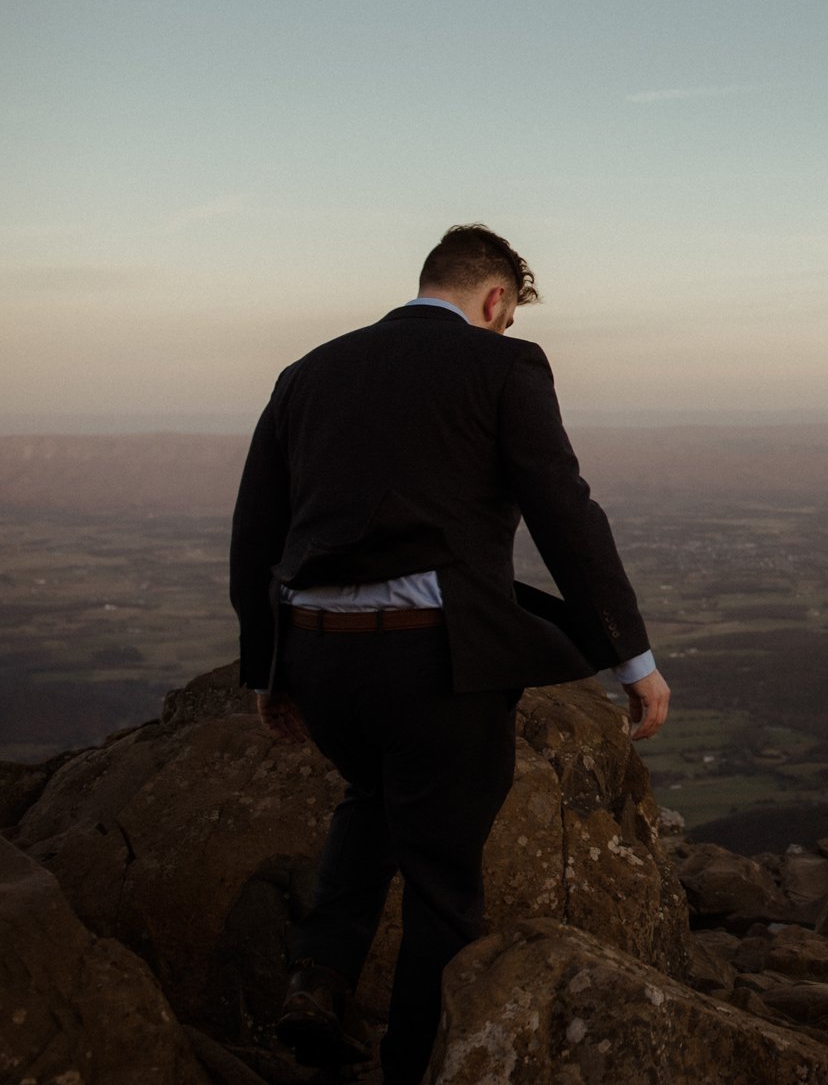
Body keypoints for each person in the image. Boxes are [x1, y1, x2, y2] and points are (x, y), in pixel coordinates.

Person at [228, 224, 671, 1084]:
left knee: (372, 796)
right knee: (442, 880)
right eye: (503, 317)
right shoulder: (505, 364)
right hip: (434, 666)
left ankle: (317, 980)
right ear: (496, 300)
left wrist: (268, 668)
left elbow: (257, 530)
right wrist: (632, 658)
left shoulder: (308, 371)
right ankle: (412, 1065)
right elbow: (563, 510)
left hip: (322, 659)